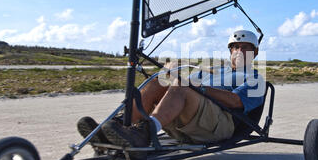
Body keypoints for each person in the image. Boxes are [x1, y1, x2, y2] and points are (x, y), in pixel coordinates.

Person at [77, 30, 266, 150]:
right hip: (193, 119)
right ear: (230, 51)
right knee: (160, 81)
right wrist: (169, 72)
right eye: (236, 47)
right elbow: (182, 84)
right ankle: (118, 127)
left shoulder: (256, 78)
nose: (239, 51)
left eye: (245, 48)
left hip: (220, 125)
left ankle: (145, 133)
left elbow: (235, 101)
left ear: (255, 53)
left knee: (183, 86)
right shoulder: (215, 69)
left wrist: (200, 88)